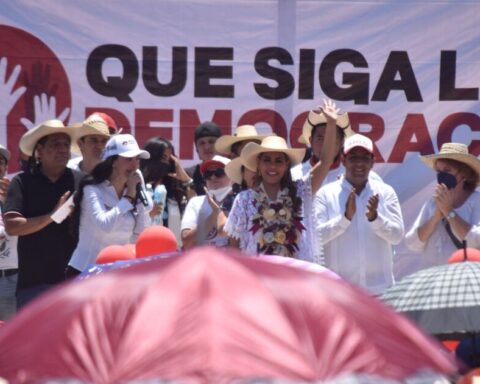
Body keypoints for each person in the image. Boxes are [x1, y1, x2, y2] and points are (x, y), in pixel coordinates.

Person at [224, 99, 339, 263]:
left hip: (294, 280)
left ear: (287, 165)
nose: (272, 166)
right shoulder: (244, 199)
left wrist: (332, 124)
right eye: (267, 160)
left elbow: (326, 161)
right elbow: (234, 247)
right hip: (257, 280)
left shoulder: (300, 191)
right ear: (258, 164)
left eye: (279, 161)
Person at [3, 120, 81, 307]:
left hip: (75, 283)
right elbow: (13, 226)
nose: (63, 149)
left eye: (65, 144)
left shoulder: (81, 181)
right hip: (33, 285)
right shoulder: (22, 182)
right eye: (55, 144)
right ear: (39, 151)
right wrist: (51, 217)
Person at [314, 134, 404, 295]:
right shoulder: (326, 194)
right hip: (339, 292)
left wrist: (375, 219)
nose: (359, 163)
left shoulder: (385, 192)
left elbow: (397, 236)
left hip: (380, 292)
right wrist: (344, 219)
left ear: (372, 161)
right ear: (343, 160)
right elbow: (316, 238)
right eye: (353, 157)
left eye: (364, 157)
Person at [66, 134, 151, 276]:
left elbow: (139, 233)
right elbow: (105, 224)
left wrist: (136, 194)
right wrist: (129, 196)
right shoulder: (92, 188)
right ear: (113, 162)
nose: (135, 165)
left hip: (118, 273)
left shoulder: (134, 188)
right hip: (85, 271)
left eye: (137, 159)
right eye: (129, 159)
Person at [405, 143, 480, 268]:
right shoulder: (432, 203)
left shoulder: (477, 201)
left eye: (447, 170)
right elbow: (412, 243)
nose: (442, 176)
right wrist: (434, 219)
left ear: (465, 174)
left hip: (464, 279)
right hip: (434, 280)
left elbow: (476, 241)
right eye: (439, 171)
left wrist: (449, 212)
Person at [140, 136, 196, 246]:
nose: (166, 163)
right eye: (162, 158)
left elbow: (196, 209)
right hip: (145, 250)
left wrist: (186, 180)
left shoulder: (178, 189)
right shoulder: (137, 185)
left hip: (176, 253)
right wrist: (149, 214)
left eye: (170, 159)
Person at [181, 155, 232, 249]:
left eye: (219, 172)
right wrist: (214, 213)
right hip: (201, 262)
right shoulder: (196, 202)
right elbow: (187, 242)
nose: (213, 177)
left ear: (232, 176)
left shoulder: (241, 201)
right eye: (208, 174)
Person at [292, 108, 351, 183]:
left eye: (331, 138)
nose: (325, 144)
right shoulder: (295, 175)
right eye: (320, 139)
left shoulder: (353, 177)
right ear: (311, 141)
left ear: (342, 142)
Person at [0, 145, 18, 320]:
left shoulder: (15, 192)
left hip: (10, 277)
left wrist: (8, 201)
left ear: (5, 168)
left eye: (0, 162)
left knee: (9, 337)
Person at [185, 121, 222, 195]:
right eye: (202, 143)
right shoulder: (188, 175)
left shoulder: (232, 172)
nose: (207, 147)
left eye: (211, 142)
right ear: (196, 149)